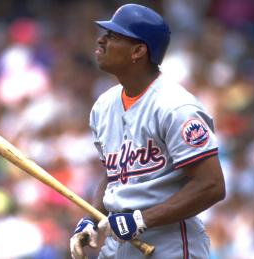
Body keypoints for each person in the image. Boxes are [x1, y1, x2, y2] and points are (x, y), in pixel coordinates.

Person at [70, 4, 226, 259]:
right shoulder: (103, 106)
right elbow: (113, 177)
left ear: (139, 51)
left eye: (114, 36)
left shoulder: (175, 107)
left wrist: (142, 220)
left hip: (169, 245)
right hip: (118, 245)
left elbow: (212, 185)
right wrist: (92, 218)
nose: (101, 39)